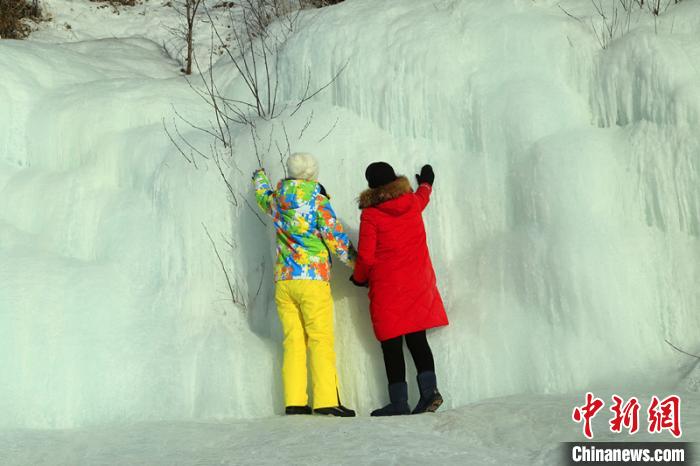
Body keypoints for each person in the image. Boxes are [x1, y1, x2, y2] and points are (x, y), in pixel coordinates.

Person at [253, 152, 357, 417]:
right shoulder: (316, 200)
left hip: (285, 280)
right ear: (312, 174)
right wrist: (356, 264)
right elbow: (335, 236)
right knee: (320, 339)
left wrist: (259, 178)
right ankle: (325, 401)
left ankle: (295, 401)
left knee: (293, 341)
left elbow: (263, 196)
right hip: (312, 278)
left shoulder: (277, 199)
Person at [350, 162, 449, 416]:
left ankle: (399, 402)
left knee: (391, 345)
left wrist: (359, 278)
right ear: (394, 178)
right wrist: (427, 181)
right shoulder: (412, 203)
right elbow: (423, 196)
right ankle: (430, 393)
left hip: (388, 288)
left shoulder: (371, 215)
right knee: (418, 340)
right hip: (418, 283)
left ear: (371, 186)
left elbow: (366, 257)